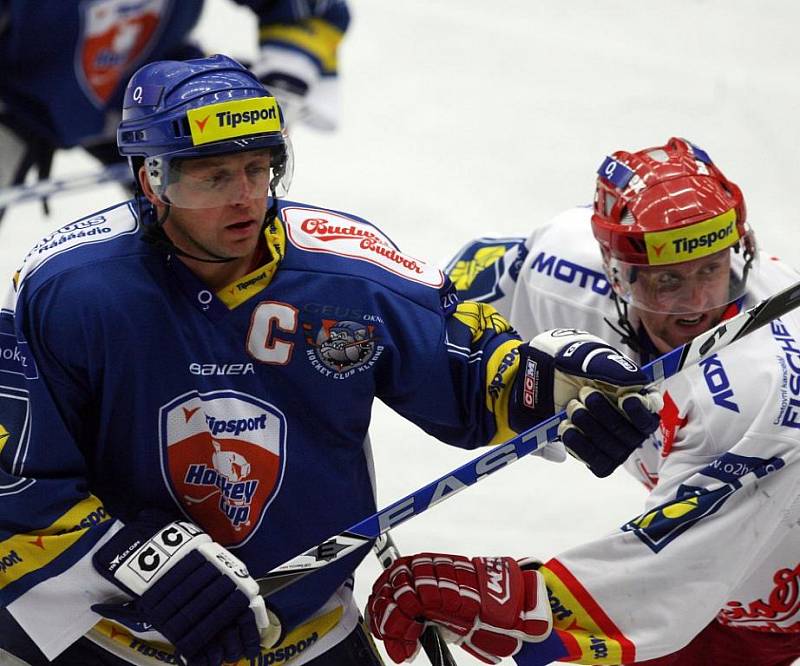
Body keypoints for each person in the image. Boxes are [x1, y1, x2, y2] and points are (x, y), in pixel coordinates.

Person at [0, 55, 661, 666]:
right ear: (152, 180)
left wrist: (554, 382)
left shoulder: (349, 275)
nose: (247, 198)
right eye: (215, 177)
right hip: (116, 642)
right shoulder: (67, 291)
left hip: (309, 633)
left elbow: (475, 368)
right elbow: (14, 483)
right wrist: (140, 557)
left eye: (260, 169)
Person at [365, 138, 800, 665]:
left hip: (769, 579)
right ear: (617, 274)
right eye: (668, 281)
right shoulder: (565, 268)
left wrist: (519, 598)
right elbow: (452, 292)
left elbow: (668, 571)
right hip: (710, 563)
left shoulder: (757, 396)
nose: (696, 306)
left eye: (712, 269)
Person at [0, 0, 350, 219]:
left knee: (220, 223)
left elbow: (310, 9)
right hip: (16, 97)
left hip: (156, 86)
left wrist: (284, 79)